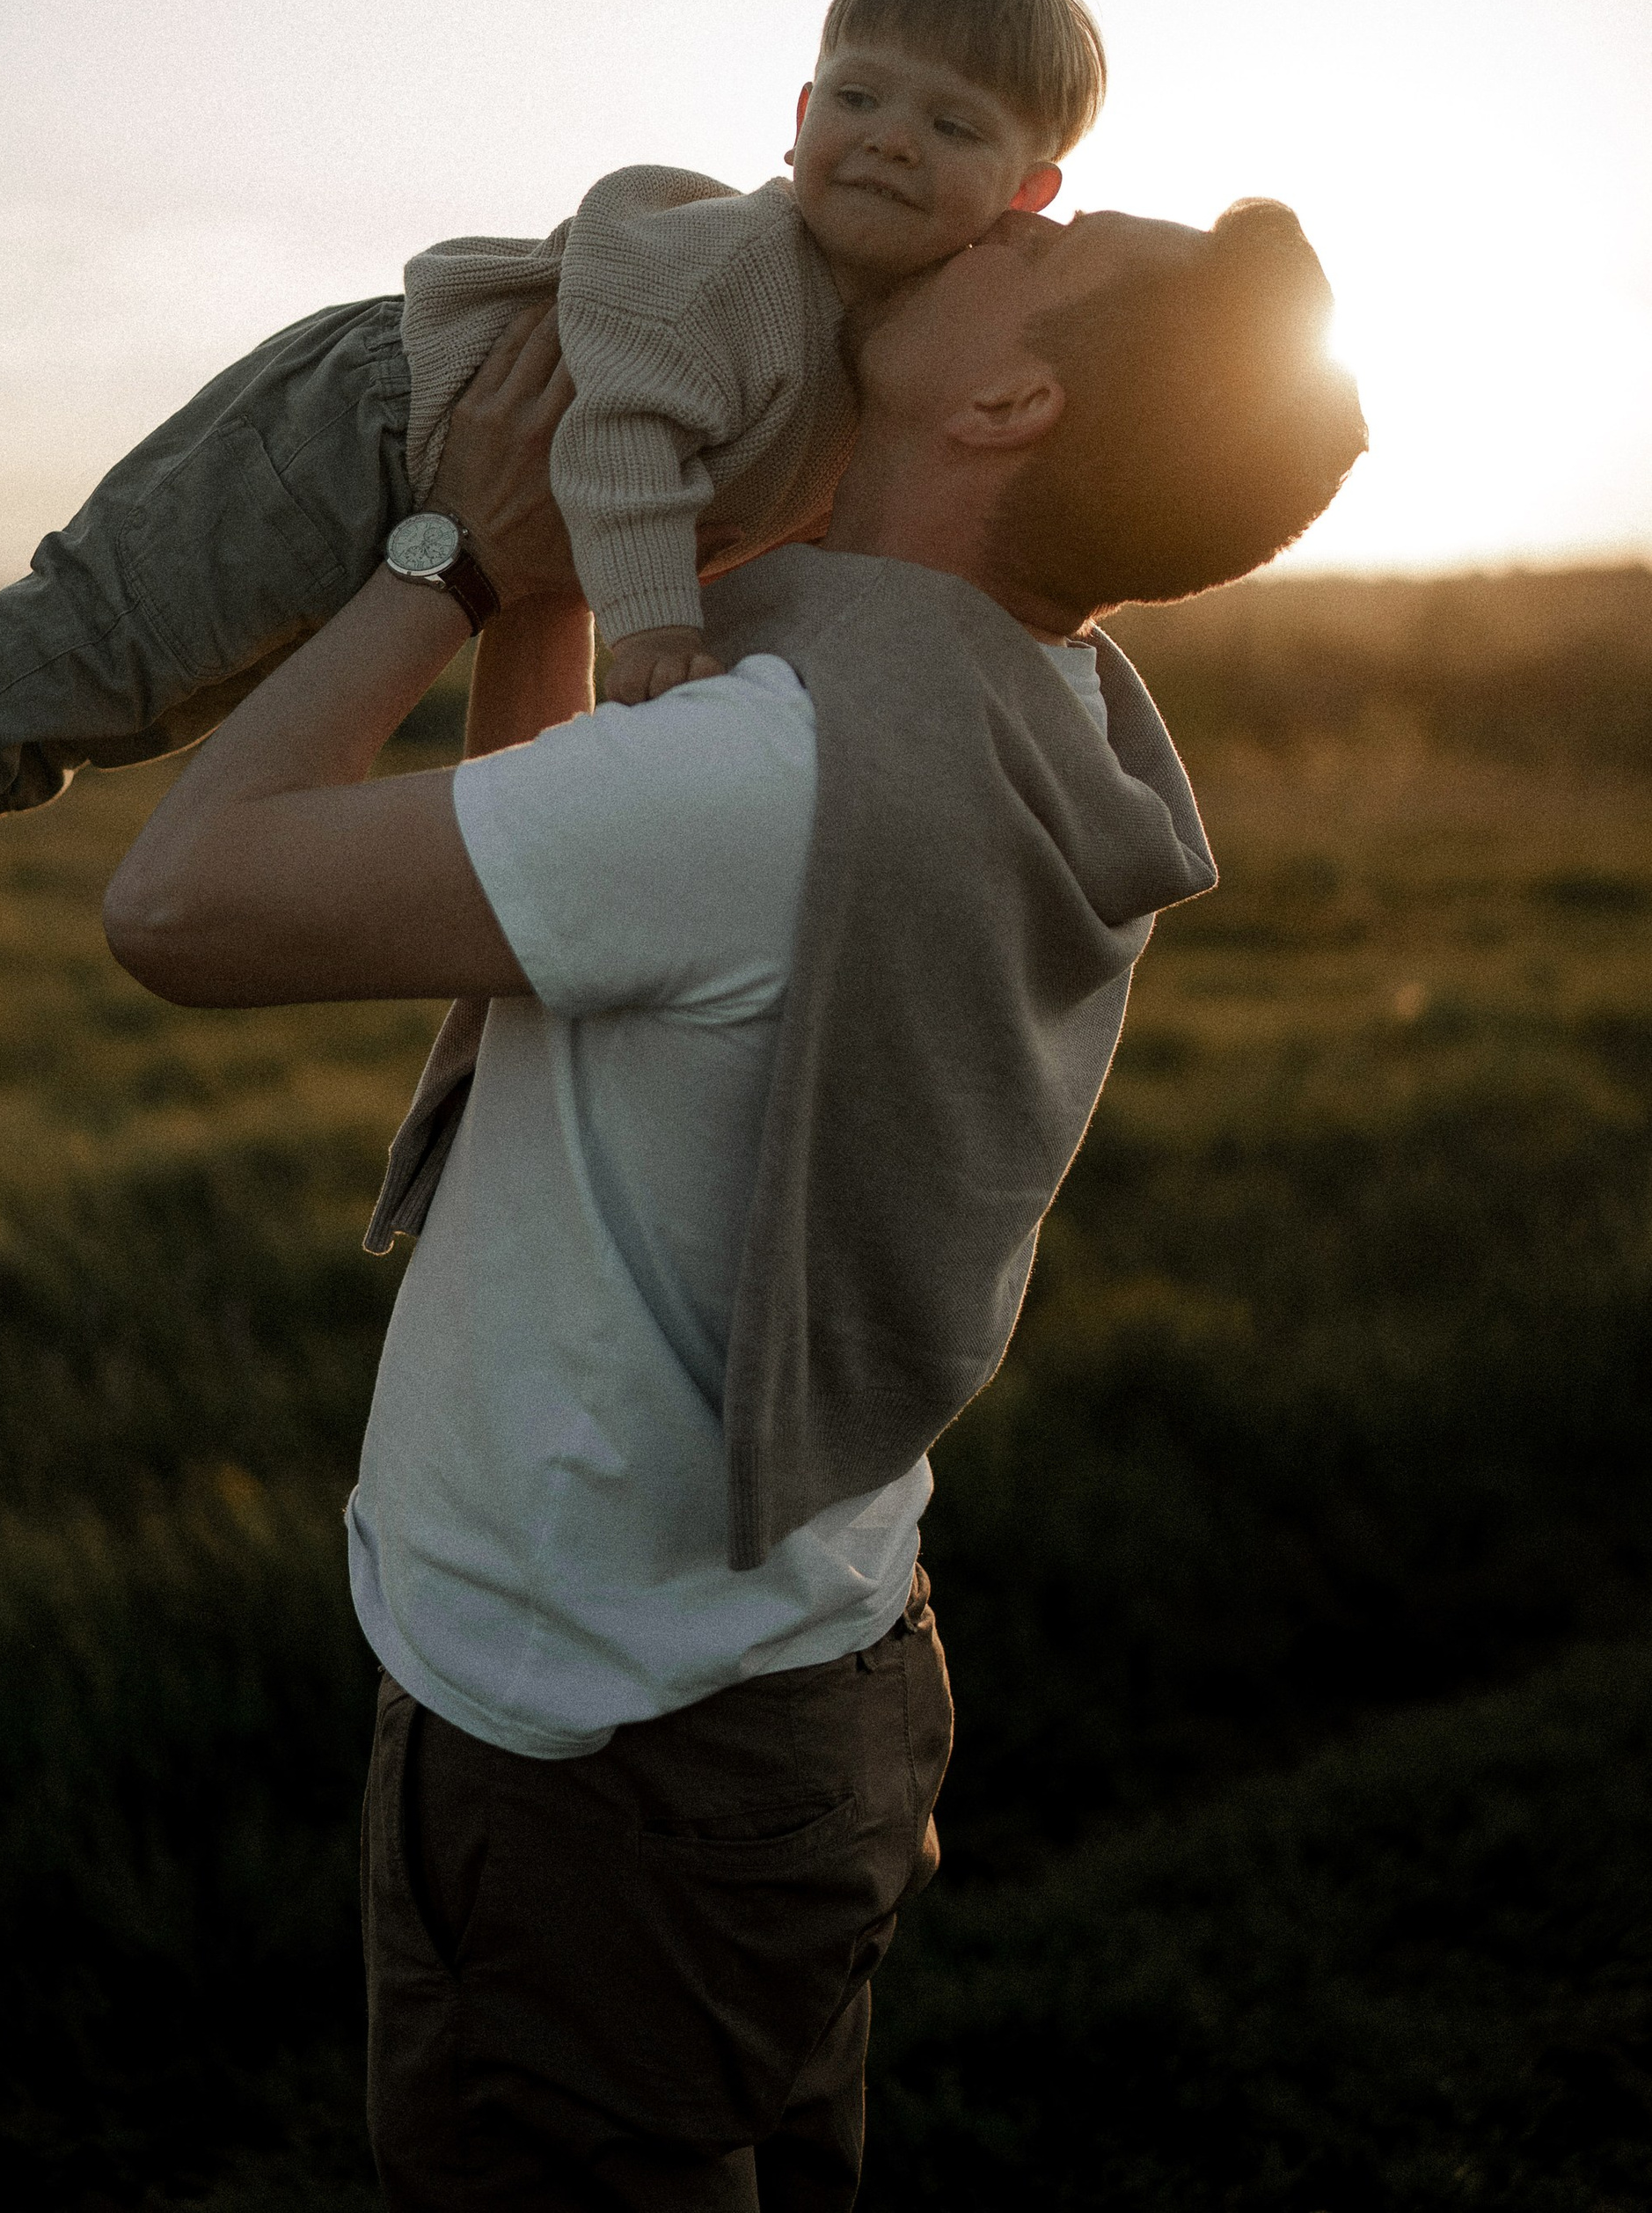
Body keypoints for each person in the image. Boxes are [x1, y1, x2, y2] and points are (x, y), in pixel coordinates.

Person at [100, 200, 1368, 2208]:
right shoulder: (1035, 713)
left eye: (1051, 246)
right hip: (810, 1676)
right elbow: (558, 884)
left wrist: (450, 553)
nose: (1004, 210)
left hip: (596, 1751)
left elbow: (176, 904)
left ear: (1009, 403)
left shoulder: (768, 768)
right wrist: (566, 575)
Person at [0, 0, 1105, 999]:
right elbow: (622, 443)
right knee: (130, 624)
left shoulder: (879, 354)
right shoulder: (741, 263)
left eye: (951, 126)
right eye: (860, 96)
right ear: (801, 111)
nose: (889, 138)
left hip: (422, 479)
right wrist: (650, 629)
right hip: (371, 412)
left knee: (186, 684)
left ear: (1030, 192)